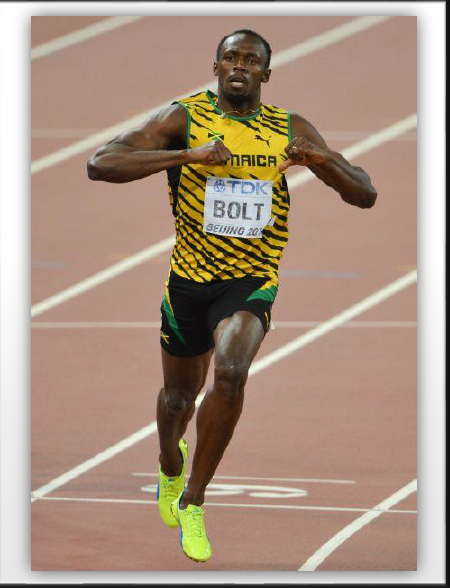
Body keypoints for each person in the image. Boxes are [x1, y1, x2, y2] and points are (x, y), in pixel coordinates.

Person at [87, 29, 377, 563]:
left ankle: (195, 500)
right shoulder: (184, 117)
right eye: (230, 58)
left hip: (251, 279)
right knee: (177, 399)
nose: (240, 66)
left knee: (231, 371)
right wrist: (186, 156)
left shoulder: (288, 127)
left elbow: (365, 193)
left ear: (266, 73)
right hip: (189, 280)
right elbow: (101, 163)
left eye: (251, 60)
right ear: (216, 66)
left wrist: (320, 160)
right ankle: (169, 466)